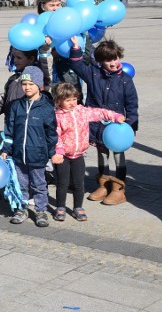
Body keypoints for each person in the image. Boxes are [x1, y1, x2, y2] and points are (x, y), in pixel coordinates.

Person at [69, 37, 138, 205]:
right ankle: (104, 185)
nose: (112, 63)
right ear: (100, 61)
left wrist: (130, 126)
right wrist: (76, 48)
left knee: (118, 154)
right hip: (98, 124)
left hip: (117, 126)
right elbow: (77, 65)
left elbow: (132, 105)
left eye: (115, 58)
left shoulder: (125, 80)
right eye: (107, 60)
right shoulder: (93, 74)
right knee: (102, 154)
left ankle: (118, 188)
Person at [52, 82, 124, 222]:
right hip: (63, 156)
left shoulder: (82, 111)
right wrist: (58, 151)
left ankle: (78, 207)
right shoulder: (57, 116)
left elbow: (99, 113)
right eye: (68, 100)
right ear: (59, 100)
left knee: (79, 183)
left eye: (74, 99)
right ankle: (60, 207)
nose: (72, 103)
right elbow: (55, 136)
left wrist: (114, 116)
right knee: (63, 183)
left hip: (78, 155)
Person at [0, 66, 58, 227]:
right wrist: (6, 149)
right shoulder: (16, 106)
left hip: (38, 154)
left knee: (39, 185)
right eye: (24, 84)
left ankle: (41, 211)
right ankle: (21, 208)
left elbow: (51, 133)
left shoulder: (46, 108)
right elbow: (9, 130)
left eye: (31, 84)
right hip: (19, 154)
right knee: (21, 183)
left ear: (39, 85)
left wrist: (52, 152)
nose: (27, 87)